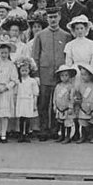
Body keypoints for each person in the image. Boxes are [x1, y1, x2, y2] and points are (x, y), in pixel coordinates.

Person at [32, 8, 72, 141]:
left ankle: (55, 130)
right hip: (44, 74)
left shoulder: (66, 35)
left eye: (55, 17)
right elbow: (35, 56)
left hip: (60, 75)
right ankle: (43, 130)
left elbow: (68, 56)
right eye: (50, 17)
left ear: (60, 17)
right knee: (43, 103)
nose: (53, 20)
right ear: (47, 19)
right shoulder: (40, 35)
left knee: (59, 102)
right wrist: (36, 74)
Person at [0, 39, 19, 143]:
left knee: (4, 114)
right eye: (2, 52)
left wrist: (6, 87)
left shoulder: (11, 65)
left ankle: (3, 134)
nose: (4, 55)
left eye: (6, 53)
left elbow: (14, 80)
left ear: (9, 53)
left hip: (5, 92)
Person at [74, 63, 93, 144]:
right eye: (82, 75)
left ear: (90, 75)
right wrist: (77, 101)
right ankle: (83, 136)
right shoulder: (80, 85)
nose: (83, 77)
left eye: (85, 75)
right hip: (83, 107)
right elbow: (78, 95)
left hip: (92, 107)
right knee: (83, 122)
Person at [14, 58, 39, 143]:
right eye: (22, 70)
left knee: (28, 118)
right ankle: (21, 134)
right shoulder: (18, 81)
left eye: (26, 70)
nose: (24, 72)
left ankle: (27, 134)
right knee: (21, 118)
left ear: (29, 71)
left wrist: (35, 105)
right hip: (21, 101)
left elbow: (35, 93)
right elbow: (15, 93)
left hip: (29, 101)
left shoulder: (32, 81)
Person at [53, 64, 77, 144]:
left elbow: (71, 98)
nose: (64, 77)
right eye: (62, 75)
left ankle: (68, 136)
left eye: (66, 75)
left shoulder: (71, 87)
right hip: (59, 108)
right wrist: (55, 105)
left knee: (68, 123)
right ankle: (62, 135)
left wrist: (70, 107)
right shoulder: (58, 86)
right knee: (61, 123)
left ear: (69, 76)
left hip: (67, 108)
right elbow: (55, 96)